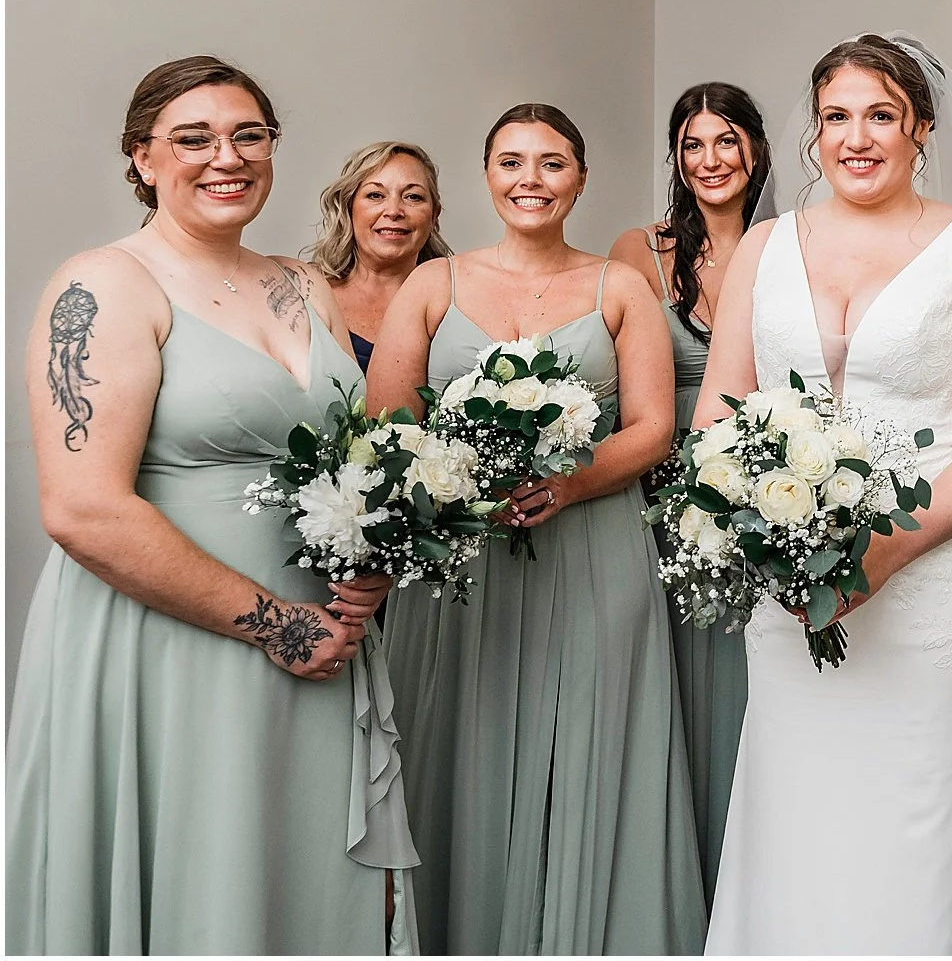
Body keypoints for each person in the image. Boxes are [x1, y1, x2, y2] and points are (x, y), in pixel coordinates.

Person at [8, 55, 416, 954]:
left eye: (248, 136)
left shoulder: (303, 282)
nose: (225, 157)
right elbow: (83, 510)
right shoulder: (104, 285)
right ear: (142, 158)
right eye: (193, 139)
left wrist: (375, 554)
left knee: (294, 884)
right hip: (175, 645)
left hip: (322, 638)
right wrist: (278, 626)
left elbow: (358, 457)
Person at [700, 35, 952, 954]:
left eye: (881, 115)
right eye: (837, 117)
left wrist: (888, 548)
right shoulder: (764, 248)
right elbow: (717, 419)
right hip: (787, 582)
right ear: (813, 135)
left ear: (921, 129)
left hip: (928, 569)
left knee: (917, 802)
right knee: (797, 790)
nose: (858, 137)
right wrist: (759, 534)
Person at [368, 104, 704, 954]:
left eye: (552, 164)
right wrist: (451, 477)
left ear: (580, 179)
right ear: (485, 176)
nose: (531, 180)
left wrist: (574, 479)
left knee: (591, 748)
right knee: (458, 747)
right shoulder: (432, 285)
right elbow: (387, 417)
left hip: (594, 548)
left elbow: (652, 428)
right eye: (512, 162)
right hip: (463, 557)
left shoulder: (619, 287)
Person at [609, 81, 771, 907]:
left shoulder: (788, 244)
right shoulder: (642, 250)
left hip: (763, 501)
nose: (710, 160)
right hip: (659, 501)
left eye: (726, 140)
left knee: (752, 690)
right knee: (666, 687)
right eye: (693, 143)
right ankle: (676, 889)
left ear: (755, 150)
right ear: (676, 155)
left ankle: (751, 884)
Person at [307, 141, 452, 371]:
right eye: (375, 195)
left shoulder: (456, 306)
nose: (394, 211)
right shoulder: (308, 296)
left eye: (413, 197)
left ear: (434, 216)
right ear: (349, 207)